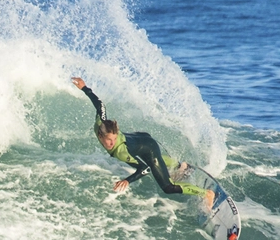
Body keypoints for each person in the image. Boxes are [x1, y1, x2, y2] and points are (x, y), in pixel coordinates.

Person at [72, 77, 215, 208]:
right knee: (150, 157)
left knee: (168, 187)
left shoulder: (121, 151)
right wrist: (85, 88)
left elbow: (145, 168)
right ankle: (180, 166)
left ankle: (206, 193)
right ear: (101, 134)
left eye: (114, 139)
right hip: (140, 138)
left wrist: (127, 180)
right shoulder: (101, 123)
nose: (112, 143)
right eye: (109, 140)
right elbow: (100, 105)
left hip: (149, 147)